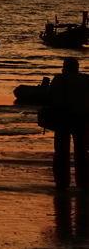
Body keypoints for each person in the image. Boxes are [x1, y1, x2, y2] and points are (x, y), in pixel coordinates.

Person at [49, 57, 89, 189]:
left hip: (63, 119)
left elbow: (50, 97)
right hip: (82, 119)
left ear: (64, 67)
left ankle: (62, 183)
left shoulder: (59, 79)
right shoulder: (86, 79)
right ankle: (83, 183)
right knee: (82, 153)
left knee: (61, 153)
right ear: (77, 67)